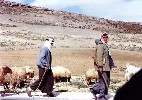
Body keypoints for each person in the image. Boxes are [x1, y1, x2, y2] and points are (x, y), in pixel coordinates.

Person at [90, 32, 115, 100]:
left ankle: (94, 90)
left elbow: (107, 57)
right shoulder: (101, 45)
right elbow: (99, 56)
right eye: (104, 37)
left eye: (107, 37)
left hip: (107, 67)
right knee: (104, 81)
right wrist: (100, 66)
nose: (106, 38)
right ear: (101, 38)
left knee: (106, 81)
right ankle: (101, 96)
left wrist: (112, 65)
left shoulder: (105, 45)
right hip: (103, 67)